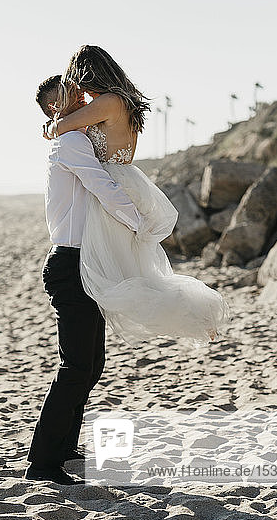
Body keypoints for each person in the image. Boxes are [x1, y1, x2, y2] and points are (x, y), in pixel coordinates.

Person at [44, 45, 231, 349]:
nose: (76, 89)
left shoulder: (109, 101)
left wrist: (52, 124)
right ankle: (196, 318)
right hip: (125, 180)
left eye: (75, 80)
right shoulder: (121, 101)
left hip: (111, 184)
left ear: (85, 73)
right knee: (133, 275)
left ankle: (197, 315)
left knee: (122, 281)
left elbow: (61, 127)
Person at [24, 74, 144, 485]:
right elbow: (102, 186)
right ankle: (42, 463)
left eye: (78, 91)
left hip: (83, 263)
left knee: (91, 364)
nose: (79, 97)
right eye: (68, 95)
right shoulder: (70, 143)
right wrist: (139, 221)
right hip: (71, 265)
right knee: (76, 366)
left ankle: (63, 446)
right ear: (54, 108)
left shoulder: (76, 138)